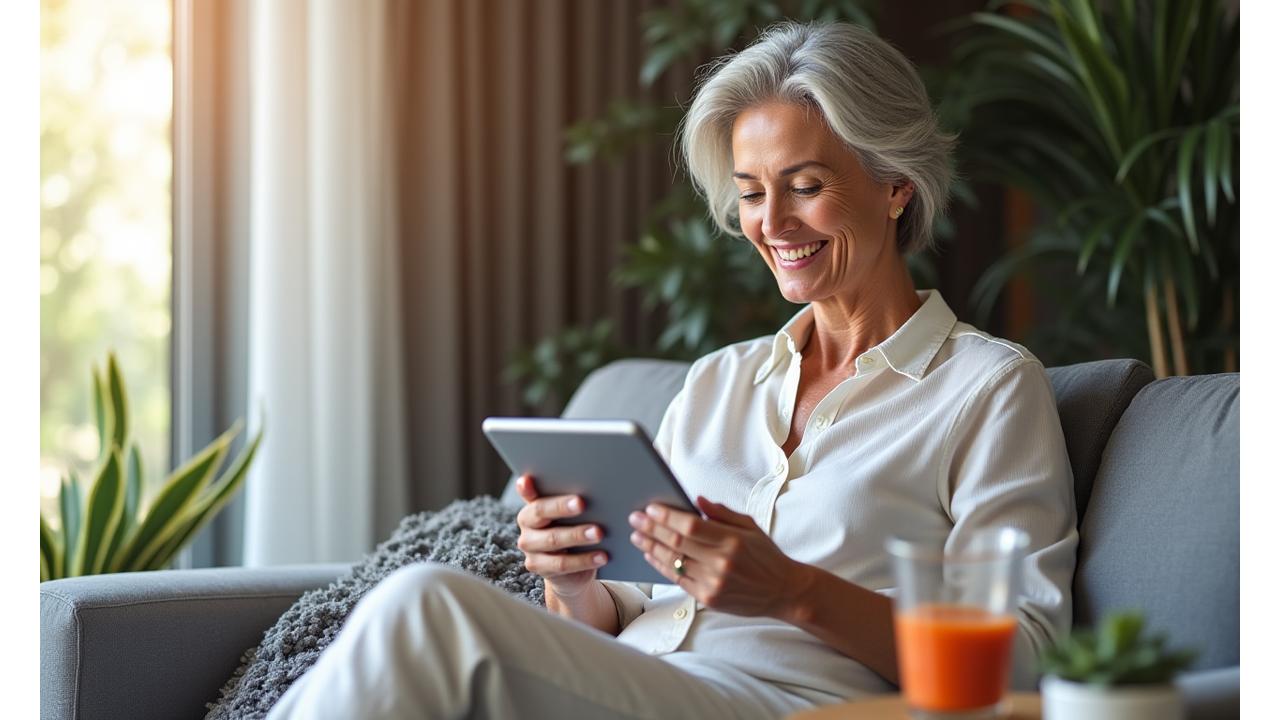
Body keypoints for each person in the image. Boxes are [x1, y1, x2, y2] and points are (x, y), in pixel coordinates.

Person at [267, 20, 1077, 719]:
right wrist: (574, 582)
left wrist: (794, 590)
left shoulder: (987, 388)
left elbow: (1030, 660)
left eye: (805, 186)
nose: (773, 223)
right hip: (639, 684)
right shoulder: (719, 383)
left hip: (788, 705)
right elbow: (627, 611)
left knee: (425, 605)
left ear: (896, 186)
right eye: (751, 193)